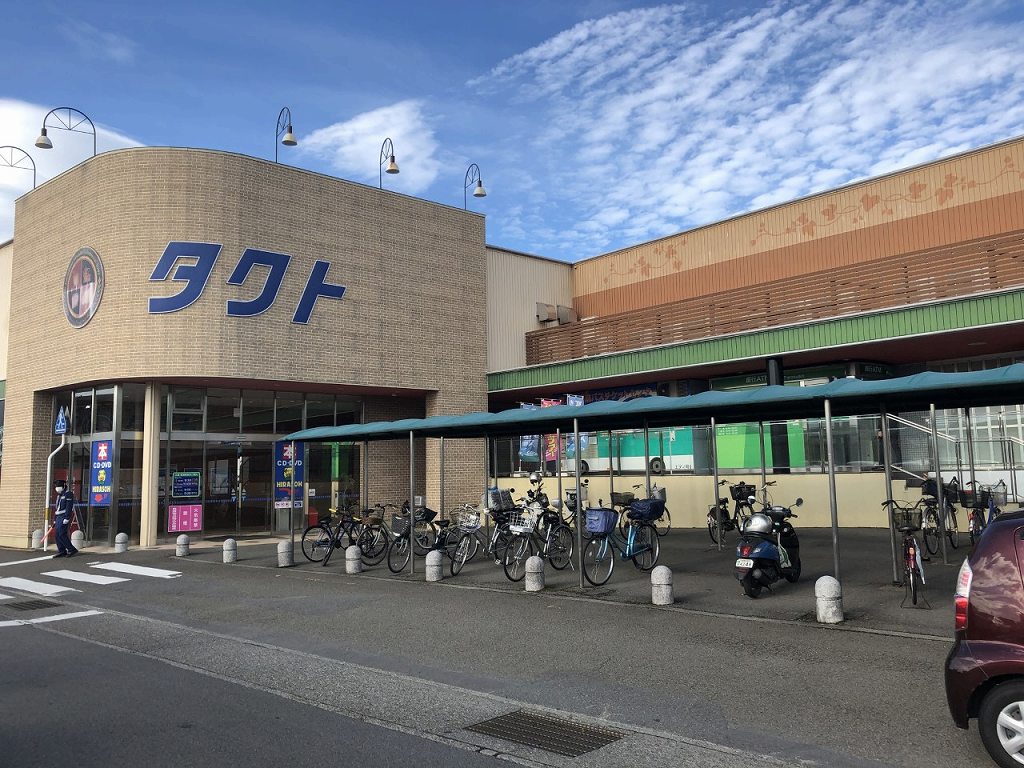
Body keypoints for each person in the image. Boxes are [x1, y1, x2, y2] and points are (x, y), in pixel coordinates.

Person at [52, 481, 78, 558]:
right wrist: (54, 519)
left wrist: (67, 518)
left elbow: (69, 507)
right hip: (58, 517)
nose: (57, 488)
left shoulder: (68, 494)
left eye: (58, 486)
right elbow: (57, 509)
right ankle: (62, 551)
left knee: (62, 534)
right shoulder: (59, 496)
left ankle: (71, 549)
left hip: (64, 516)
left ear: (63, 486)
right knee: (57, 535)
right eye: (56, 486)